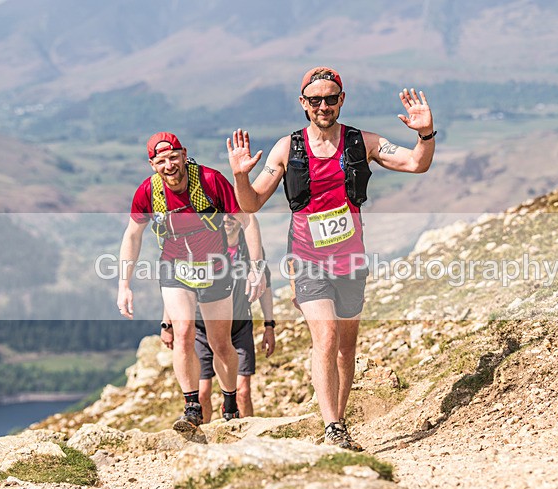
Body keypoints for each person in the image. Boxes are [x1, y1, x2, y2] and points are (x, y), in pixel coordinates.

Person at [226, 67, 435, 451]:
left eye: (331, 98)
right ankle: (333, 428)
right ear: (303, 104)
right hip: (306, 261)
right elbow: (251, 203)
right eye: (315, 100)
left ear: (342, 100)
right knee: (326, 335)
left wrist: (425, 133)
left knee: (345, 347)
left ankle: (337, 423)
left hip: (351, 263)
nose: (324, 106)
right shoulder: (287, 149)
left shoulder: (362, 142)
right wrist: (240, 176)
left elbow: (416, 163)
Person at [117, 132, 267, 437]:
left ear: (184, 155)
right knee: (183, 331)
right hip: (175, 268)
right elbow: (132, 235)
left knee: (220, 342)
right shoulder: (148, 191)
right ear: (152, 165)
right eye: (161, 161)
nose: (169, 166)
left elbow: (247, 220)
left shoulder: (212, 181)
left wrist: (256, 268)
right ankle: (192, 406)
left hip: (215, 268)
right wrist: (124, 284)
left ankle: (229, 405)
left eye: (173, 158)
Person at [160, 213, 276, 422]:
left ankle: (243, 434)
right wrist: (167, 323)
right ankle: (202, 441)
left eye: (233, 215)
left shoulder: (251, 250)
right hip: (202, 329)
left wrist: (269, 324)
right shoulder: (204, 242)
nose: (228, 218)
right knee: (203, 393)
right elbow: (177, 284)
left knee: (242, 391)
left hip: (239, 326)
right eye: (224, 214)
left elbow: (265, 286)